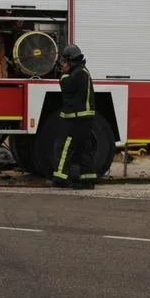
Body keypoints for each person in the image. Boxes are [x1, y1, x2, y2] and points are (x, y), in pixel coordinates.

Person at [50, 44, 97, 190]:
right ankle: (86, 180)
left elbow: (67, 86)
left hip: (76, 119)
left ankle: (60, 179)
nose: (63, 64)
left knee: (65, 148)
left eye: (64, 62)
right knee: (84, 149)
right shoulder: (82, 71)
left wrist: (63, 74)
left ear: (70, 60)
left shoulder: (77, 74)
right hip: (84, 119)